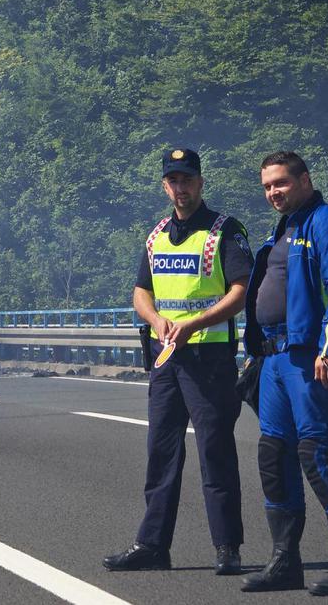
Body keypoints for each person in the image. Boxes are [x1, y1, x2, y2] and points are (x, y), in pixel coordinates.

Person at [103, 148, 254, 576]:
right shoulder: (154, 236)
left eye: (187, 179)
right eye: (173, 180)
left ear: (201, 182)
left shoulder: (224, 231)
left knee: (215, 450)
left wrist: (194, 323)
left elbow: (241, 291)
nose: (180, 187)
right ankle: (152, 545)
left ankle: (227, 547)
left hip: (208, 356)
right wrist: (154, 319)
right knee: (161, 451)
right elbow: (140, 291)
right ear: (164, 185)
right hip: (165, 357)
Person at [240, 151, 328, 595]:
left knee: (319, 453)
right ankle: (284, 563)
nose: (273, 192)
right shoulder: (285, 228)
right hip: (275, 358)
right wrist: (256, 353)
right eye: (267, 186)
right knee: (275, 456)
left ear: (304, 179)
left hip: (309, 358)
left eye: (280, 183)